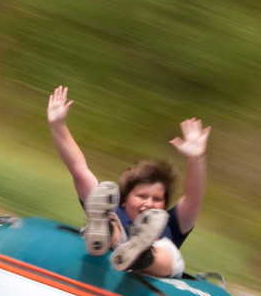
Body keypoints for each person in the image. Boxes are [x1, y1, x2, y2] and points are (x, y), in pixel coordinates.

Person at [47, 85, 210, 277]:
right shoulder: (112, 206)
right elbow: (79, 170)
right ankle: (105, 233)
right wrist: (58, 126)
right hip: (106, 249)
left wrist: (195, 158)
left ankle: (141, 254)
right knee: (111, 219)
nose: (149, 203)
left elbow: (194, 196)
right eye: (142, 196)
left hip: (152, 268)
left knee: (168, 250)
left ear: (165, 204)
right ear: (124, 200)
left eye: (157, 199)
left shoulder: (171, 224)